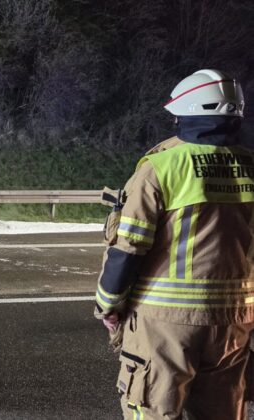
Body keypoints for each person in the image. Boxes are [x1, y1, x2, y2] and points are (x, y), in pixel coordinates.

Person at [94, 69, 254, 419]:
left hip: (165, 324)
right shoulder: (250, 165)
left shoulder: (162, 167)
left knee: (151, 409)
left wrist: (108, 304)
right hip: (234, 322)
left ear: (188, 112)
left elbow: (129, 248)